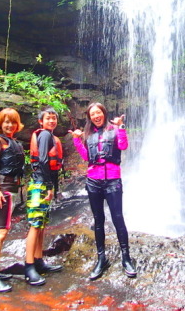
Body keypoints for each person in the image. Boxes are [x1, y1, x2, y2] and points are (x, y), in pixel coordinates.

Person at [69, 102, 137, 280]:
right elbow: (86, 157)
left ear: (104, 113)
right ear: (89, 117)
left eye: (98, 112)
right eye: (93, 114)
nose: (96, 116)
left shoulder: (114, 129)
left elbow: (123, 146)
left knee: (118, 218)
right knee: (98, 220)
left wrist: (121, 127)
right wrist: (77, 140)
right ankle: (101, 259)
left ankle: (126, 258)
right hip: (93, 182)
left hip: (112, 180)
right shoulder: (88, 134)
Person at [0, 108, 25, 293]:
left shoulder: (14, 142)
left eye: (13, 122)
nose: (9, 125)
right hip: (2, 189)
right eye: (6, 122)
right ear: (0, 123)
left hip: (11, 189)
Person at [24, 107, 63, 286]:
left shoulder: (48, 136)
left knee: (40, 225)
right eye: (48, 118)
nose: (52, 121)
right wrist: (49, 186)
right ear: (41, 121)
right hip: (40, 184)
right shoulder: (46, 135)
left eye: (54, 118)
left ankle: (39, 261)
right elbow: (43, 161)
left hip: (41, 183)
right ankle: (29, 266)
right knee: (35, 225)